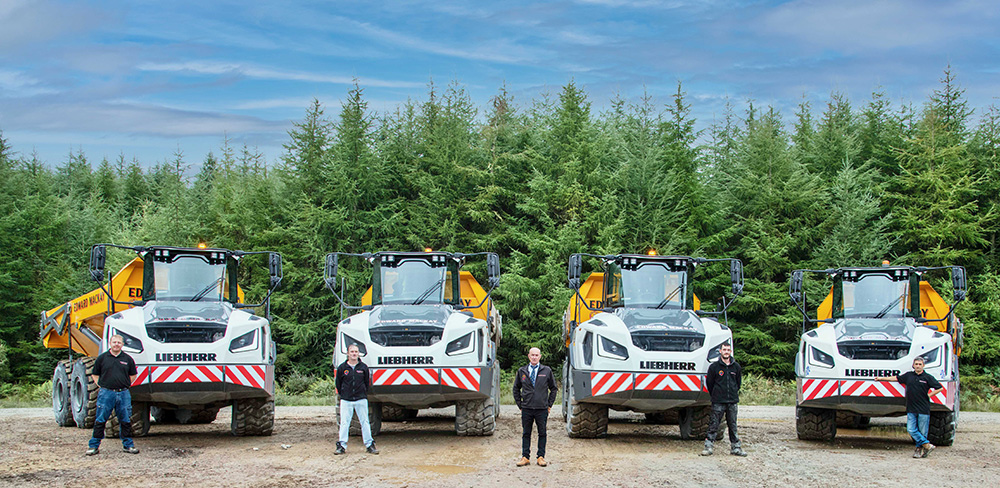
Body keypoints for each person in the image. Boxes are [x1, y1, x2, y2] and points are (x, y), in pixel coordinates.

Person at [876, 357, 944, 458]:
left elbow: (940, 388)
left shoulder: (928, 378)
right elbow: (896, 378)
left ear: (923, 366)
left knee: (922, 432)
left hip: (923, 409)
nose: (918, 366)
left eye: (920, 364)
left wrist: (929, 395)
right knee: (911, 429)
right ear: (913, 365)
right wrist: (881, 378)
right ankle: (927, 445)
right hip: (911, 408)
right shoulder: (909, 376)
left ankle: (919, 450)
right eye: (916, 364)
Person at [86, 334, 140, 455]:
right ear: (110, 343)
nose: (116, 344)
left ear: (122, 344)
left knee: (125, 420)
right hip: (106, 393)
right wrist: (102, 385)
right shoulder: (102, 358)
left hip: (123, 393)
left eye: (119, 343)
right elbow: (95, 374)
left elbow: (133, 375)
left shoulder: (128, 359)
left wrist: (124, 385)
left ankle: (128, 445)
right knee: (100, 419)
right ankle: (93, 446)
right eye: (114, 342)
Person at [512, 347, 558, 467]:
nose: (534, 357)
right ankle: (525, 457)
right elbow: (516, 388)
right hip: (526, 408)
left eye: (536, 355)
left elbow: (553, 388)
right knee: (526, 433)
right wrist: (520, 404)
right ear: (528, 356)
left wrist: (549, 404)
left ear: (540, 357)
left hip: (541, 408)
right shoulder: (522, 371)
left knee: (542, 433)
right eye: (532, 355)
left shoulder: (546, 371)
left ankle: (541, 457)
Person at [701, 342, 746, 457]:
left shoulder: (736, 367)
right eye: (724, 349)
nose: (726, 352)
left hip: (732, 401)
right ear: (720, 351)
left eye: (728, 350)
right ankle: (708, 446)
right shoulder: (714, 367)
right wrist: (716, 395)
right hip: (718, 401)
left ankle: (736, 447)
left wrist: (732, 394)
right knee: (713, 424)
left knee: (733, 425)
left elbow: (738, 383)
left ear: (730, 351)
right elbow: (710, 384)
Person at [334, 344, 379, 455]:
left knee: (365, 422)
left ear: (358, 353)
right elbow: (338, 384)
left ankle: (369, 445)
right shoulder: (342, 368)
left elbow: (366, 383)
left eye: (356, 352)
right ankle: (341, 446)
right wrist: (344, 394)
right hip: (346, 400)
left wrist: (362, 393)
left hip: (360, 399)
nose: (354, 354)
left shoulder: (363, 367)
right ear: (348, 353)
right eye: (352, 352)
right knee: (345, 423)